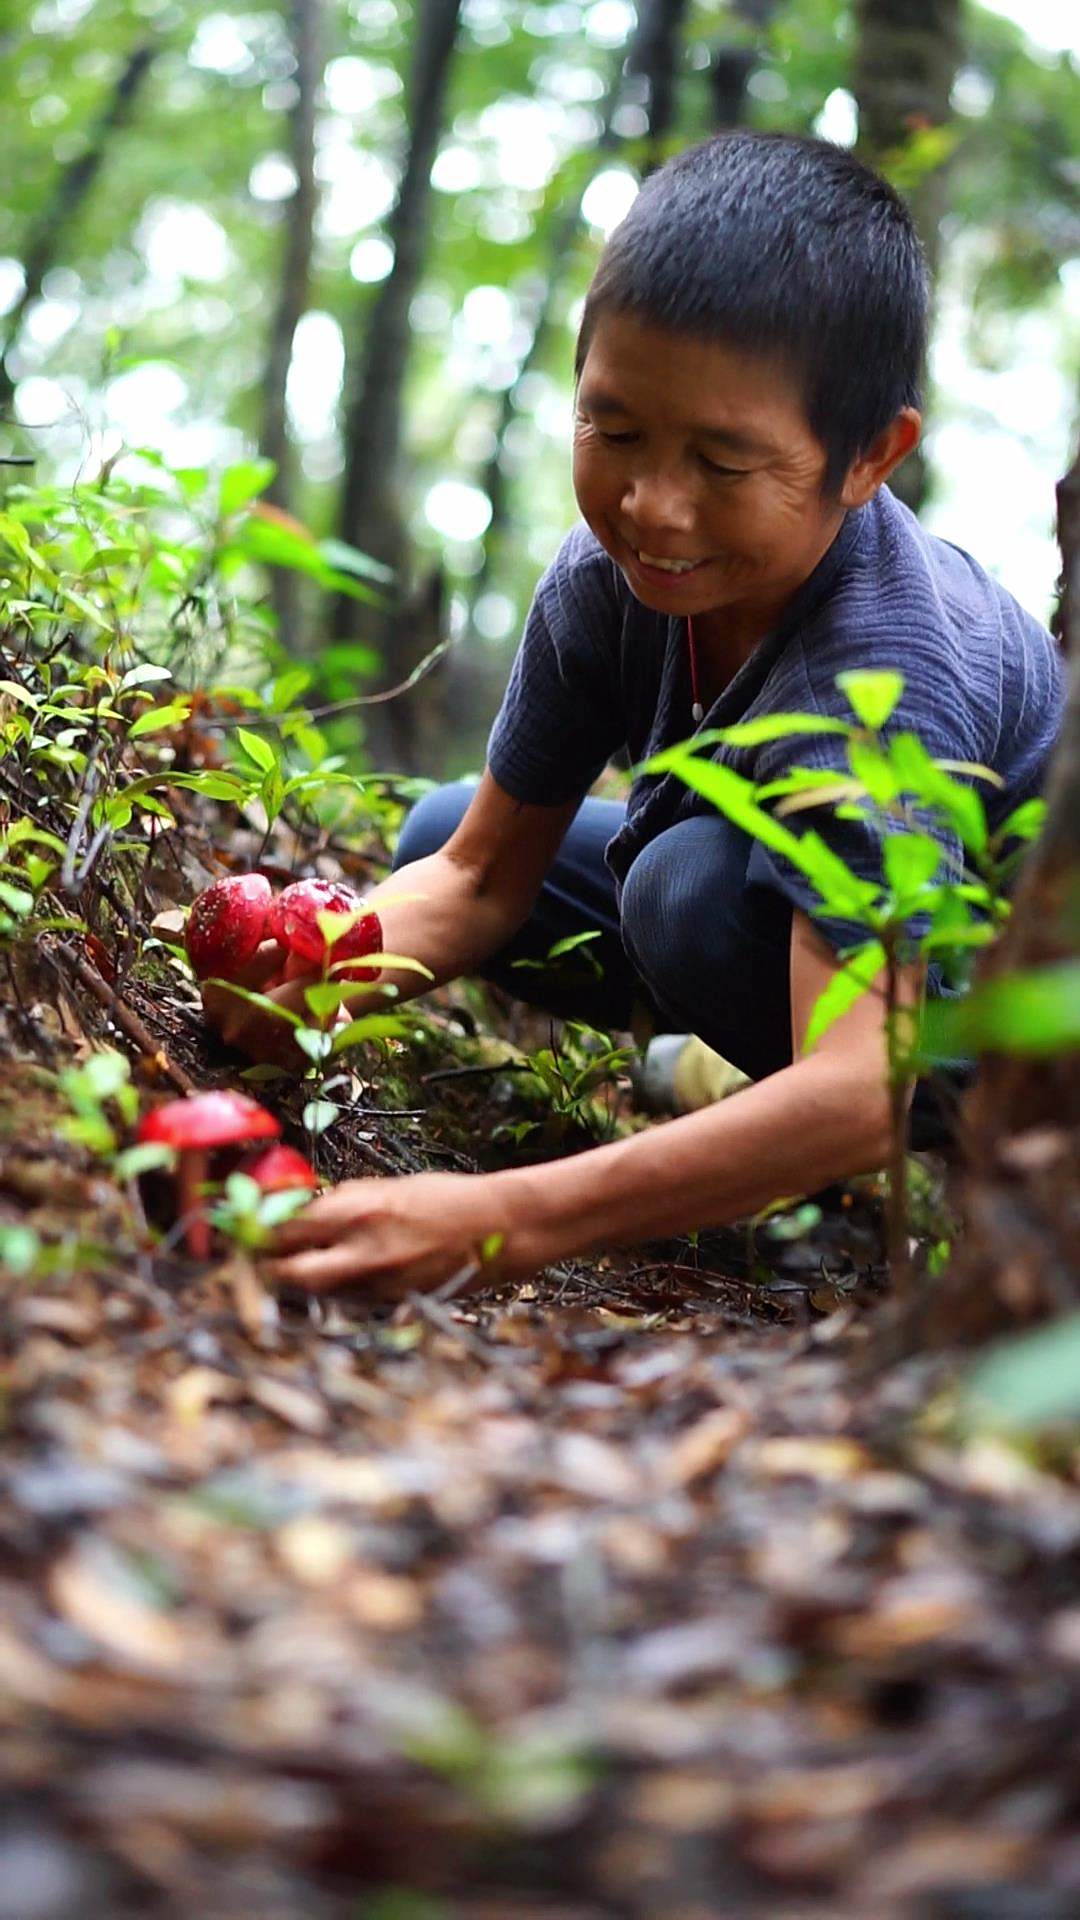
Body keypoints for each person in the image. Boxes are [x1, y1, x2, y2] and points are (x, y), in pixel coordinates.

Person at [204, 132, 1063, 1298]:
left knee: (684, 887)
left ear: (870, 457)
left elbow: (868, 1080)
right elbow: (477, 879)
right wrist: (297, 981)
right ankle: (719, 1085)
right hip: (796, 939)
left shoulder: (883, 673)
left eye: (722, 462)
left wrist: (501, 1219)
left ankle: (755, 1113)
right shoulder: (606, 581)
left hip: (992, 1040)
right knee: (435, 834)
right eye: (614, 433)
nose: (651, 506)